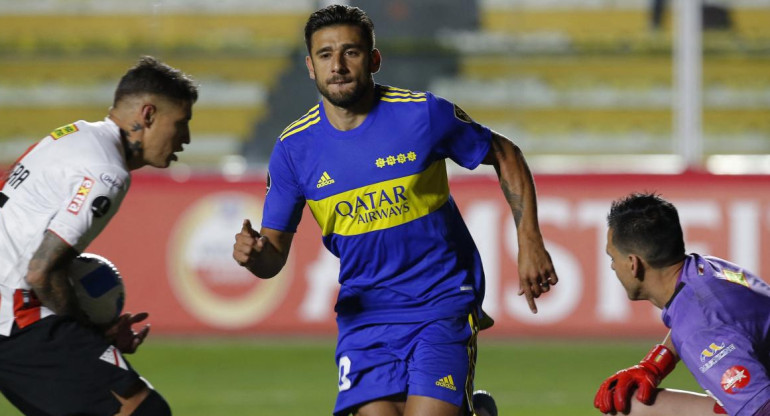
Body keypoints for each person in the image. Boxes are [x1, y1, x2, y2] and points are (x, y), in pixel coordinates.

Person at [232, 5, 557, 416]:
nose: (338, 65)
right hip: (364, 316)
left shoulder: (422, 113)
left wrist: (529, 242)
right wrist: (256, 255)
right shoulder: (293, 150)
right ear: (310, 67)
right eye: (325, 55)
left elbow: (505, 152)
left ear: (373, 60)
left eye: (350, 52)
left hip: (439, 302)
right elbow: (272, 257)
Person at [0, 56, 198, 415]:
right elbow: (42, 270)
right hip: (15, 320)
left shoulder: (71, 134)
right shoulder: (107, 171)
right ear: (148, 115)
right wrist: (91, 336)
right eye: (181, 124)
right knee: (141, 409)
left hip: (11, 318)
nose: (185, 139)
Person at [594, 192, 770, 416]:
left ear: (633, 264)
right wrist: (653, 365)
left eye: (612, 258)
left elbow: (761, 409)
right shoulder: (702, 270)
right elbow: (710, 321)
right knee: (629, 405)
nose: (612, 267)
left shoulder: (699, 326)